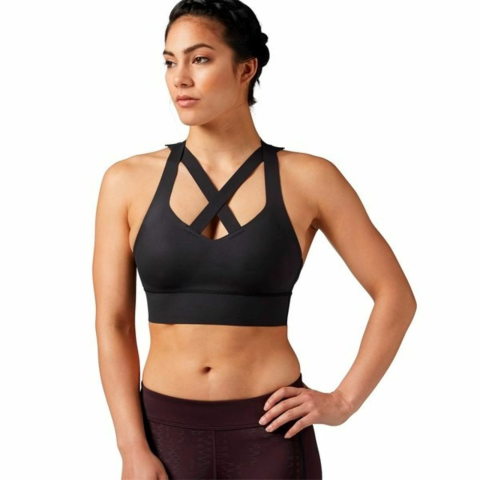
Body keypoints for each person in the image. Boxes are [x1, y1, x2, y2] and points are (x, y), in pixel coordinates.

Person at [93, 0, 417, 478]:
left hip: (271, 433)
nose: (180, 78)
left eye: (200, 59)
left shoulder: (309, 178)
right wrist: (131, 447)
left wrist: (343, 401)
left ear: (247, 69)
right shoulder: (126, 182)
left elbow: (395, 295)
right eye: (170, 61)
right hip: (163, 436)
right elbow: (114, 324)